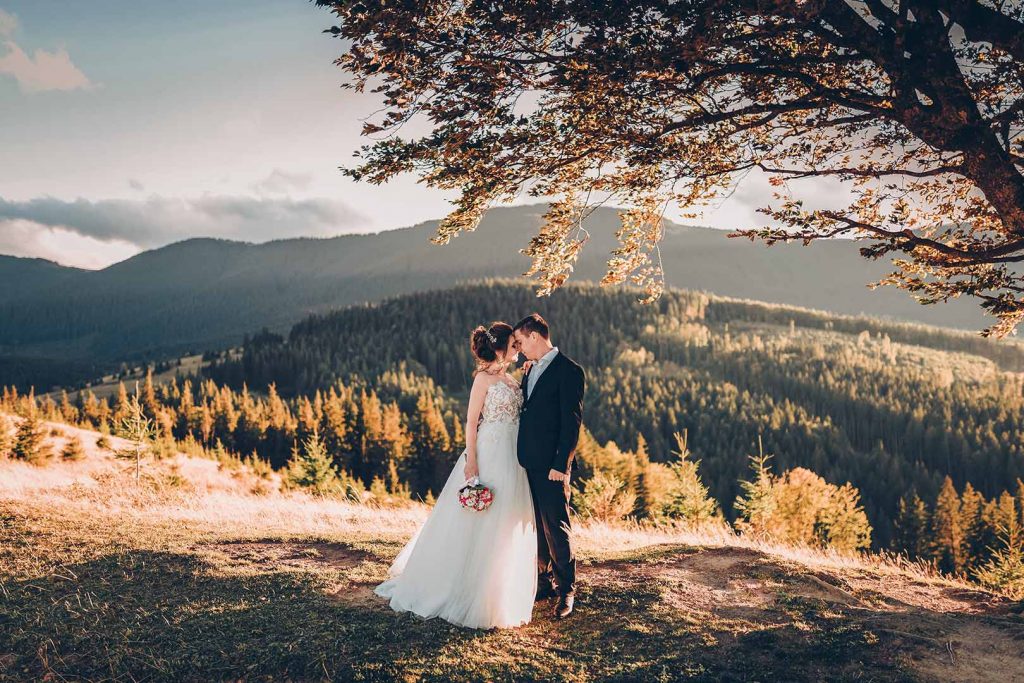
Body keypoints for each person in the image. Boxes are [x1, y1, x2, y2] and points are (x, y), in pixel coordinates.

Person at [374, 322, 537, 629]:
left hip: (513, 456)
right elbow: (471, 420)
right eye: (513, 345)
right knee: (481, 517)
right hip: (490, 452)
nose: (518, 349)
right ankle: (464, 589)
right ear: (500, 347)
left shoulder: (511, 378)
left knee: (504, 519)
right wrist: (471, 460)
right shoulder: (483, 380)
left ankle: (498, 589)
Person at [512, 313, 586, 619]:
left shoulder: (570, 371)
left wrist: (562, 465)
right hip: (528, 462)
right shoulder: (530, 370)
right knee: (535, 526)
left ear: (534, 336)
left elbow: (572, 424)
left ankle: (566, 589)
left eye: (519, 341)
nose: (517, 348)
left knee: (557, 526)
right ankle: (542, 582)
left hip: (552, 466)